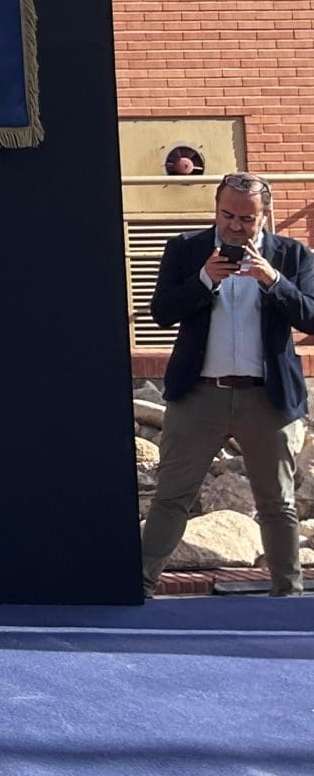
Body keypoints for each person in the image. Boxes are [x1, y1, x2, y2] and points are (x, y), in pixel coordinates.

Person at [140, 171, 314, 595]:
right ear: (216, 210)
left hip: (266, 398)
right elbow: (161, 312)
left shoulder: (292, 255)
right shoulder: (186, 249)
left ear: (265, 215)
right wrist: (203, 280)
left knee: (277, 503)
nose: (235, 226)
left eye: (246, 218)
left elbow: (311, 317)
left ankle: (288, 595)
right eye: (227, 215)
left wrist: (273, 281)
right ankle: (139, 587)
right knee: (171, 496)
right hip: (199, 395)